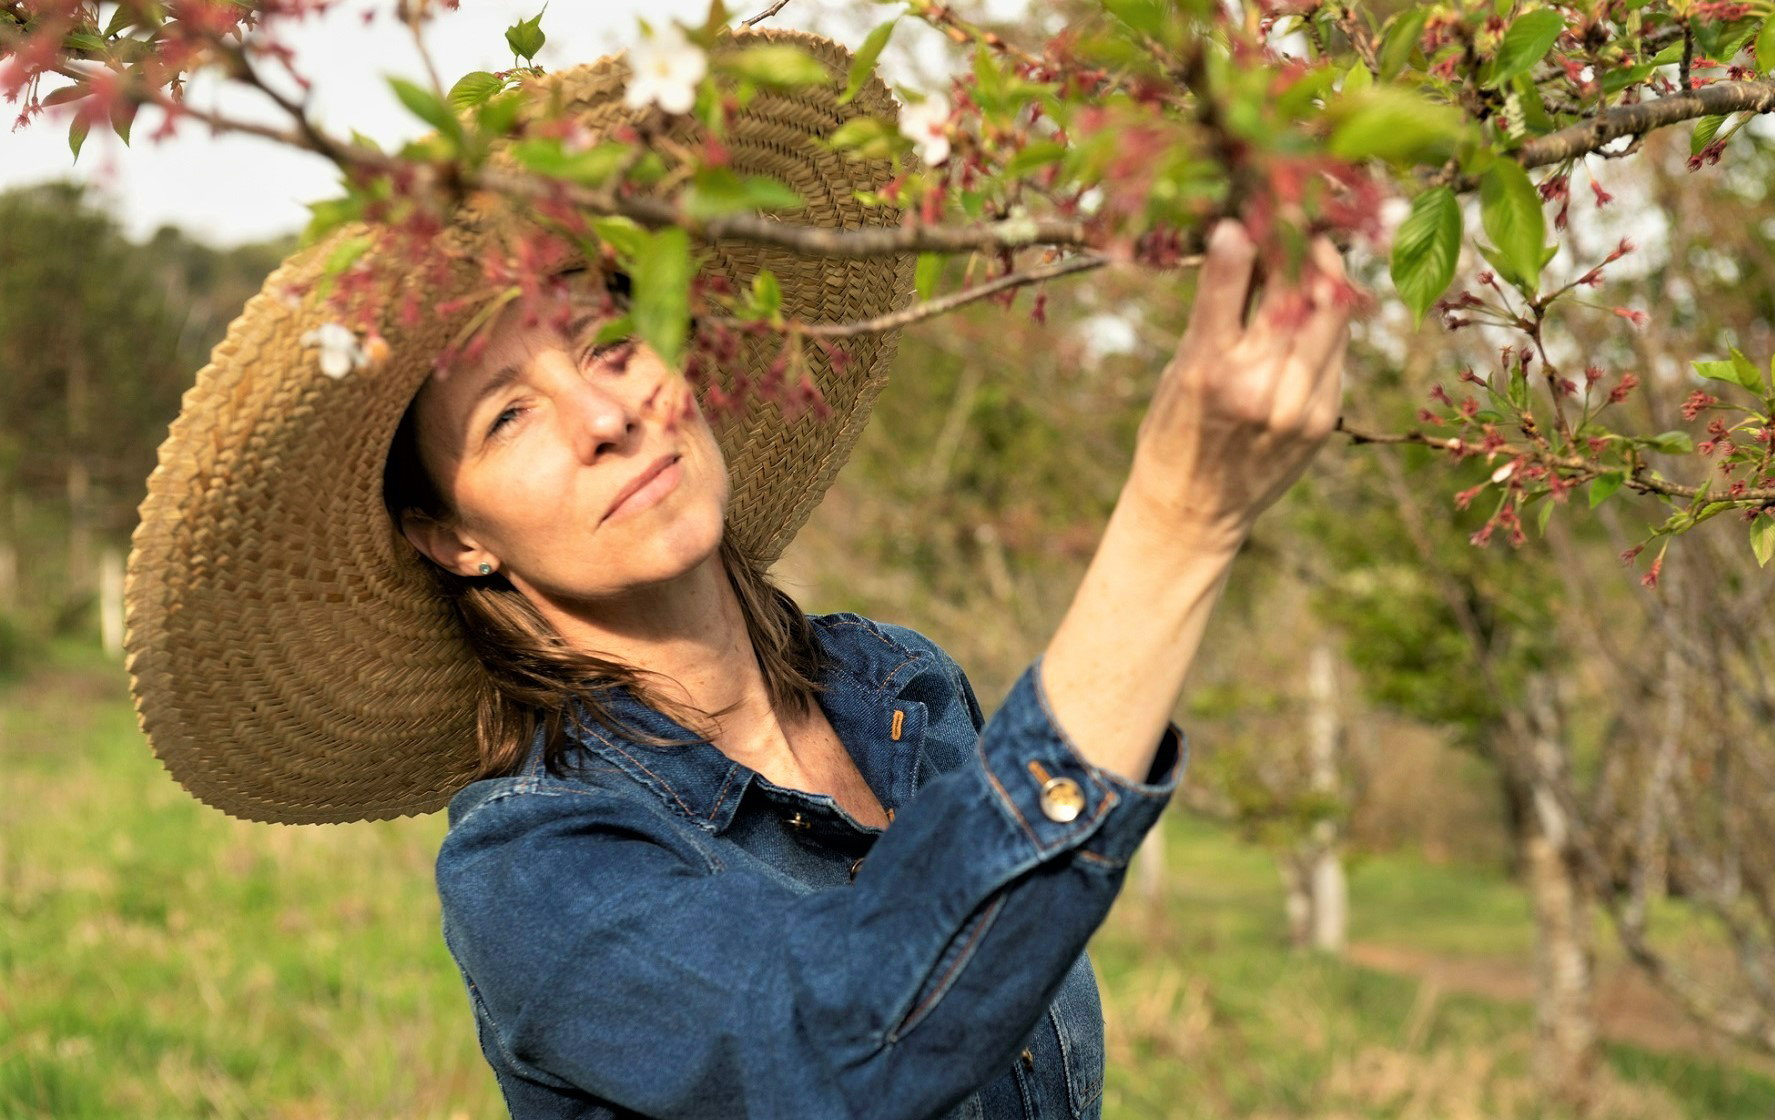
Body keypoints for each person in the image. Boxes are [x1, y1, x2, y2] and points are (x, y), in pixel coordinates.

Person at [124, 24, 1351, 1120]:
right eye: (508, 417)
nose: (604, 417)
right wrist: (1181, 517)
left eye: (610, 343)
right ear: (457, 539)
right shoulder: (537, 866)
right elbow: (845, 1049)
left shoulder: (903, 688)